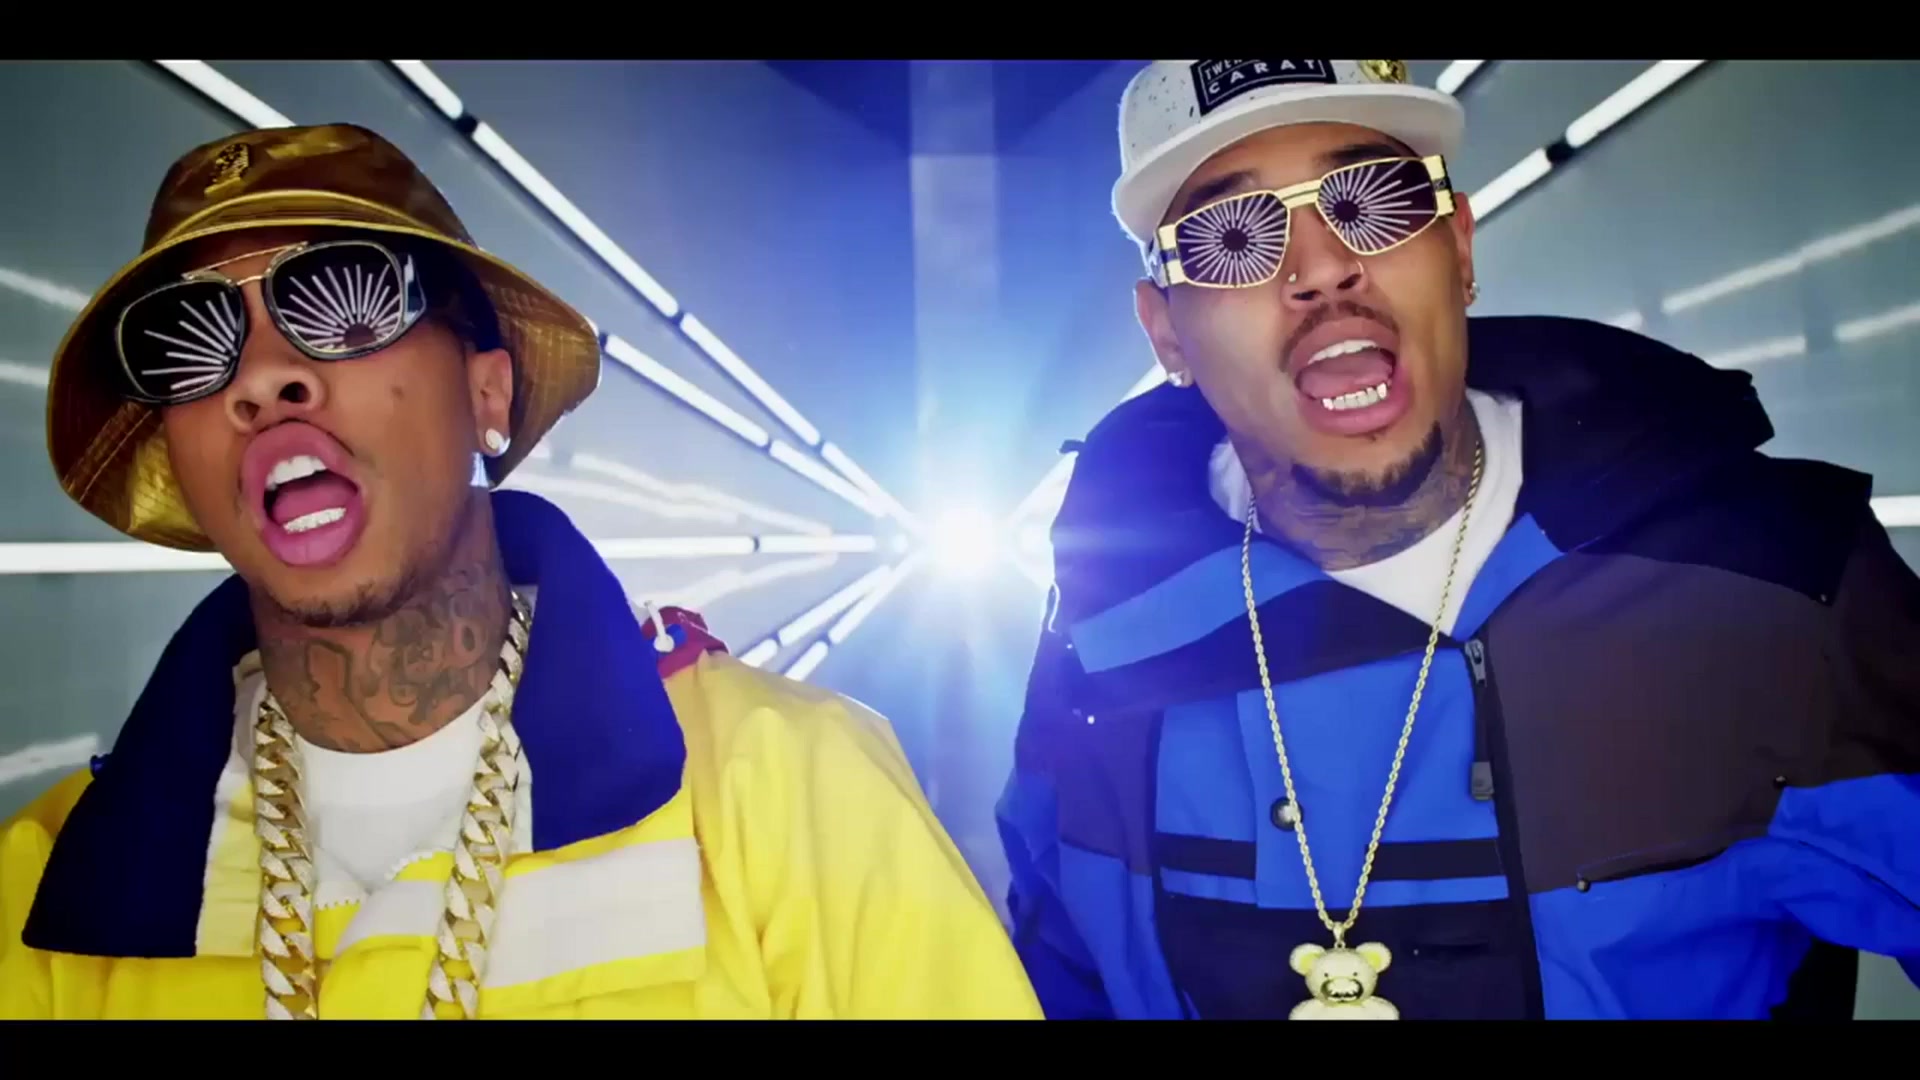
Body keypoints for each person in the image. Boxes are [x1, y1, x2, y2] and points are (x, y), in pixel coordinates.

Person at [0, 122, 1041, 1021]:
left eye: (346, 301)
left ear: (487, 395)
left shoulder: (785, 791)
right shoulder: (47, 895)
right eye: (186, 342)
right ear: (178, 459)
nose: (265, 377)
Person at [998, 59, 1920, 1020]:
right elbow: (1049, 977)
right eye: (1233, 237)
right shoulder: (1100, 645)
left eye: (1374, 199)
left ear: (1461, 246)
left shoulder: (1769, 583)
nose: (1321, 268)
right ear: (1166, 334)